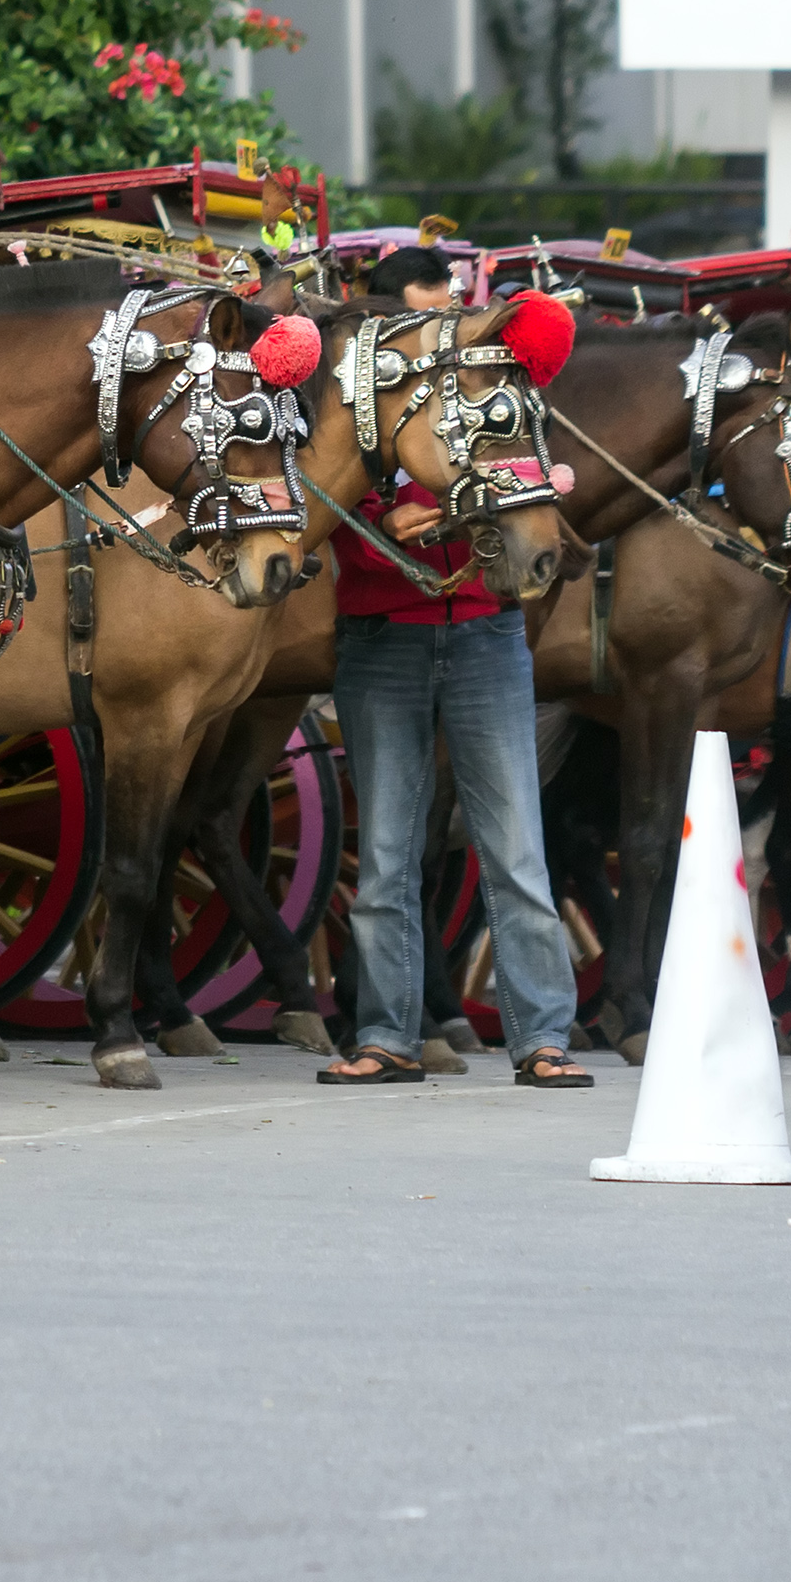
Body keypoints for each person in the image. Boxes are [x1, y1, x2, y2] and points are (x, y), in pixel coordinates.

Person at [318, 244, 593, 1091]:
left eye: (450, 308)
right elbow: (341, 507)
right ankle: (386, 1034)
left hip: (483, 634)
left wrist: (442, 508)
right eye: (427, 308)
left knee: (515, 852)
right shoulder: (362, 402)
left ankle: (542, 1035)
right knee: (391, 855)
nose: (445, 323)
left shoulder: (487, 397)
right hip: (384, 639)